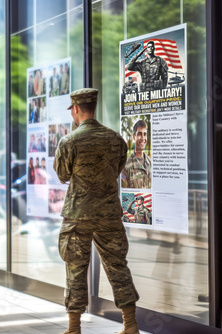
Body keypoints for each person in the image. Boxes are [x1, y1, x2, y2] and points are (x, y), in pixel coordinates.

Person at [54, 88, 140, 334]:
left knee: (75, 267)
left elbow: (62, 175)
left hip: (77, 215)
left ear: (76, 109)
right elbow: (117, 169)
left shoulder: (69, 141)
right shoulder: (116, 139)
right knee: (118, 266)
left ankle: (74, 327)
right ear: (94, 107)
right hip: (109, 214)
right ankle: (131, 324)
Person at [121, 119, 152, 189]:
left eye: (145, 134)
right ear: (134, 136)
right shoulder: (126, 167)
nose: (143, 138)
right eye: (139, 134)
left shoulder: (150, 162)